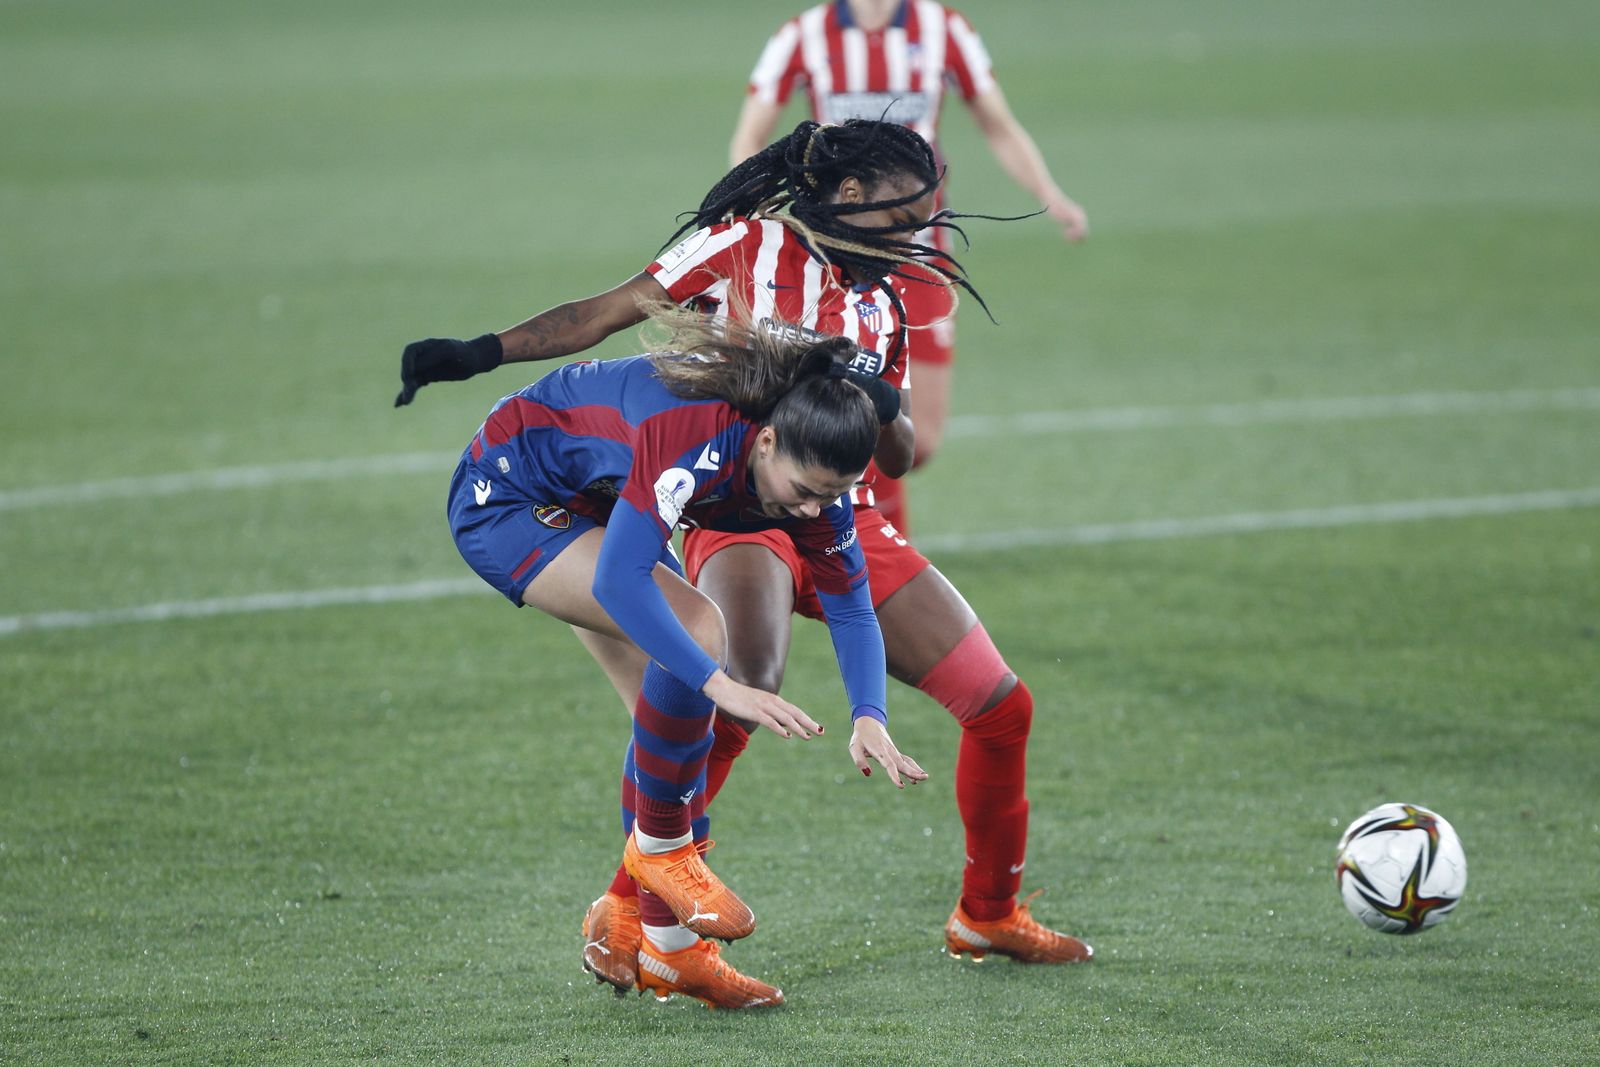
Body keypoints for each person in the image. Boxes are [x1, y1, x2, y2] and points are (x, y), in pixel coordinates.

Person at [399, 118, 1088, 997]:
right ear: (847, 197)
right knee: (726, 675)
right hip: (732, 499)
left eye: (929, 215)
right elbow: (606, 313)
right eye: (905, 212)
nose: (921, 232)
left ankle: (987, 914)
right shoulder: (743, 244)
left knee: (1000, 703)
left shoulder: (888, 298)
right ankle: (643, 916)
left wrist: (877, 400)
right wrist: (481, 351)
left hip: (840, 511)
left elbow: (900, 454)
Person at [447, 304, 926, 1009]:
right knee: (701, 629)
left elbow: (852, 603)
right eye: (802, 491)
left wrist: (869, 715)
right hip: (509, 494)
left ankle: (668, 951)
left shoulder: (813, 479)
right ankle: (662, 853)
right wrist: (719, 683)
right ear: (764, 442)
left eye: (828, 497)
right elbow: (618, 580)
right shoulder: (695, 438)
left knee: (673, 731)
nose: (809, 511)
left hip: (600, 499)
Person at [731, 0, 1090, 536]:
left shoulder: (944, 29)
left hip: (919, 255)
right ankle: (856, 542)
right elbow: (751, 134)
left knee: (917, 440)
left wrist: (1049, 194)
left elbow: (997, 123)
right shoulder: (804, 34)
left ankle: (846, 526)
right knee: (853, 404)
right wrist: (750, 208)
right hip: (838, 258)